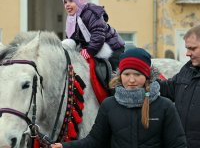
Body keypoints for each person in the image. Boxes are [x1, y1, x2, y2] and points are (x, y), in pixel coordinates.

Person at [51, 48, 187, 148]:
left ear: (147, 76)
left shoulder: (165, 106)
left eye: (137, 74)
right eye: (127, 74)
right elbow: (94, 141)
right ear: (120, 76)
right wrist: (65, 146)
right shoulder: (109, 105)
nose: (131, 80)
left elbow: (178, 145)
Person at [62, 0, 125, 71]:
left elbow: (98, 35)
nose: (67, 4)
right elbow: (72, 38)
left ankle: (112, 84)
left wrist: (89, 51)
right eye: (65, 2)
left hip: (112, 47)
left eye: (71, 1)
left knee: (110, 71)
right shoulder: (72, 19)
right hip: (95, 47)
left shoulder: (91, 12)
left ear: (80, 1)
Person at [158, 24, 200, 148]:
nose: (187, 53)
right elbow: (167, 89)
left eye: (192, 48)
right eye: (187, 48)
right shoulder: (187, 70)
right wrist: (142, 76)